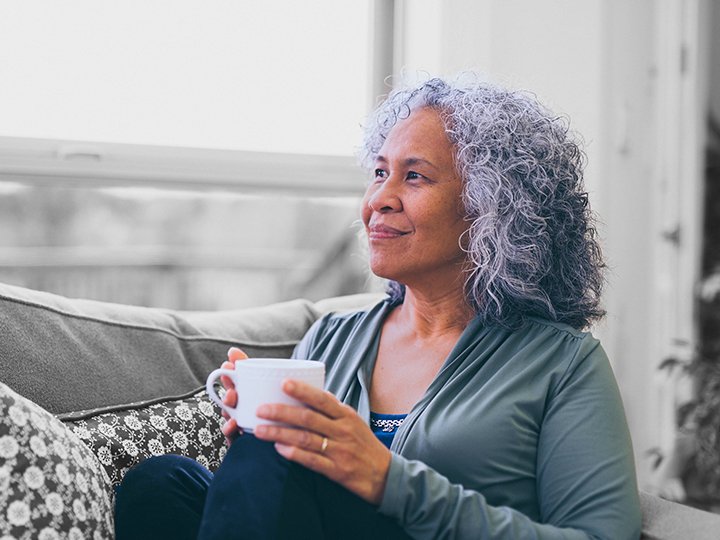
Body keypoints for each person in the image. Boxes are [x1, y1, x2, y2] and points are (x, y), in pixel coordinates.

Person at [114, 73, 642, 539]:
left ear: (493, 207)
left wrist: (391, 483)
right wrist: (257, 440)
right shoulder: (331, 338)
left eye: (414, 176)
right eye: (379, 172)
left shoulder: (563, 365)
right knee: (160, 485)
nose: (379, 199)